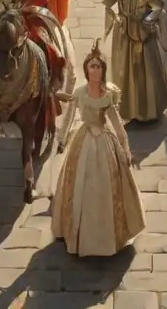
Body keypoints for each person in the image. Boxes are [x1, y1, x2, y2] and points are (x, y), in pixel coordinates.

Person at [52, 42, 145, 257]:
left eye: (98, 67)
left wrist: (126, 148)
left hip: (104, 140)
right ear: (86, 70)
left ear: (103, 70)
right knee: (78, 184)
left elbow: (116, 122)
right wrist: (62, 139)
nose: (95, 70)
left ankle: (108, 237)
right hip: (83, 140)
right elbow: (69, 117)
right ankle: (78, 233)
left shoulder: (108, 94)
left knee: (107, 185)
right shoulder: (80, 93)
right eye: (91, 66)